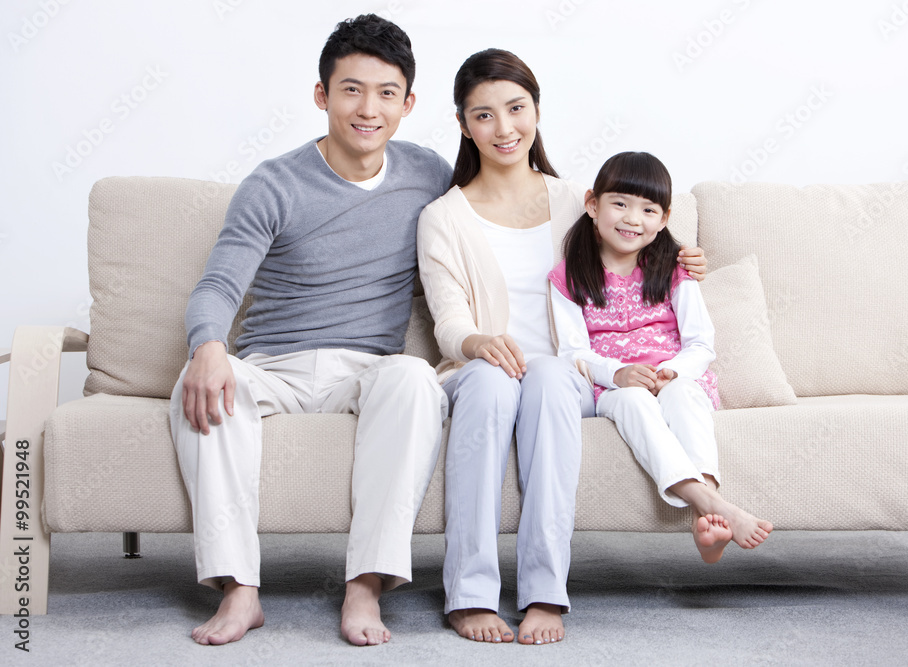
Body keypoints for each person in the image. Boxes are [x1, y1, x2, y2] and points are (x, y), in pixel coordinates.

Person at [168, 14, 453, 647]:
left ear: (408, 104)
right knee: (201, 386)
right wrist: (208, 346)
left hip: (368, 370)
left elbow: (509, 207)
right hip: (275, 364)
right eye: (351, 89)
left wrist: (663, 249)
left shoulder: (430, 174)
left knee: (415, 380)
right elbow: (218, 285)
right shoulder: (274, 183)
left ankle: (366, 585)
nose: (368, 109)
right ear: (322, 95)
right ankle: (240, 591)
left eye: (385, 94)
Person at [416, 50, 708, 646]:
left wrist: (684, 257)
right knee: (499, 381)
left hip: (569, 370)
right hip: (479, 368)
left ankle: (545, 592)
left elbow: (638, 246)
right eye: (484, 115)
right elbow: (448, 322)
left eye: (516, 109)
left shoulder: (577, 199)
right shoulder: (442, 217)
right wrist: (478, 342)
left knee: (547, 376)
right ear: (463, 124)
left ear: (537, 111)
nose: (504, 128)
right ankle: (469, 594)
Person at [548, 151, 772, 564]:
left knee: (685, 396)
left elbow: (701, 342)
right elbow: (571, 351)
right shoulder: (569, 275)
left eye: (648, 209)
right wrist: (619, 374)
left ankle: (708, 515)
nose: (633, 218)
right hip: (613, 386)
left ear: (664, 219)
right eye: (620, 203)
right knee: (633, 402)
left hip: (676, 378)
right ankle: (715, 507)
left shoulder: (673, 269)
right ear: (592, 205)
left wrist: (673, 372)